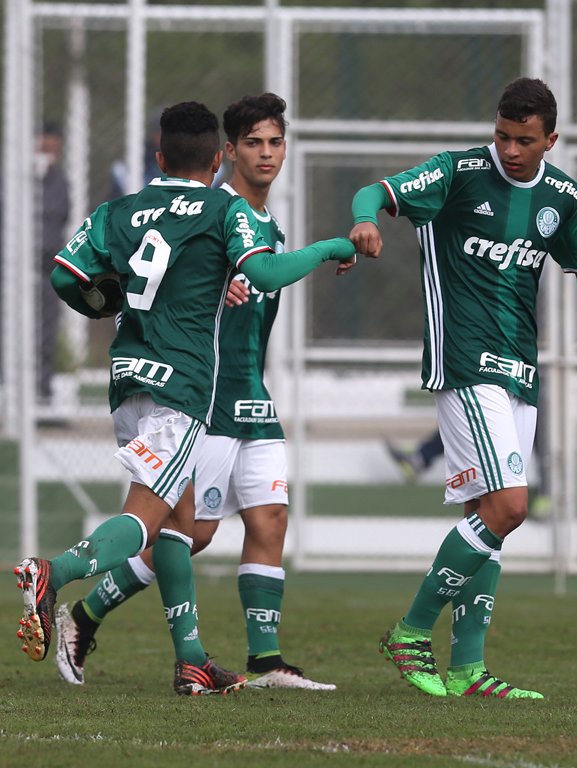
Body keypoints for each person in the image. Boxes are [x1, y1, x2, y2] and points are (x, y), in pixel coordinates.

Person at [15, 100, 356, 695]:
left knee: (176, 520)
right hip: (181, 386)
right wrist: (329, 250)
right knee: (147, 518)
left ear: (158, 156)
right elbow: (268, 275)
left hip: (125, 377)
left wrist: (109, 305)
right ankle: (54, 572)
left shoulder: (118, 209)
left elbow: (65, 276)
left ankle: (192, 660)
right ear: (221, 156)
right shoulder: (226, 209)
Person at [349, 77, 577, 699]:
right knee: (511, 506)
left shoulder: (565, 198)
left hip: (520, 370)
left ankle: (467, 670)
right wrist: (363, 221)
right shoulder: (458, 172)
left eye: (523, 140)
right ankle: (410, 631)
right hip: (464, 362)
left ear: (550, 139)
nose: (509, 149)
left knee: (487, 517)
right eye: (502, 135)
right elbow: (372, 192)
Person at [35, 123, 71, 401]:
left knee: (46, 333)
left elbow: (60, 215)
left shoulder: (59, 180)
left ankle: (42, 392)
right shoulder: (15, 179)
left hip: (47, 269)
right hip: (14, 272)